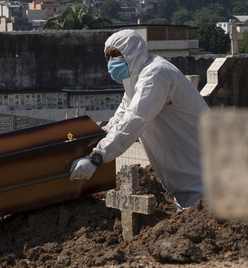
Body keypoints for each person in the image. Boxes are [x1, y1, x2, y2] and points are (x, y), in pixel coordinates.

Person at [70, 29, 208, 209]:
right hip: (185, 184)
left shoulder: (156, 74)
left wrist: (96, 157)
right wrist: (91, 141)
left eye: (116, 55)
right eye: (108, 57)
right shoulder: (134, 82)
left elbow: (135, 118)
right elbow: (118, 121)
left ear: (133, 52)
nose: (112, 62)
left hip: (204, 178)